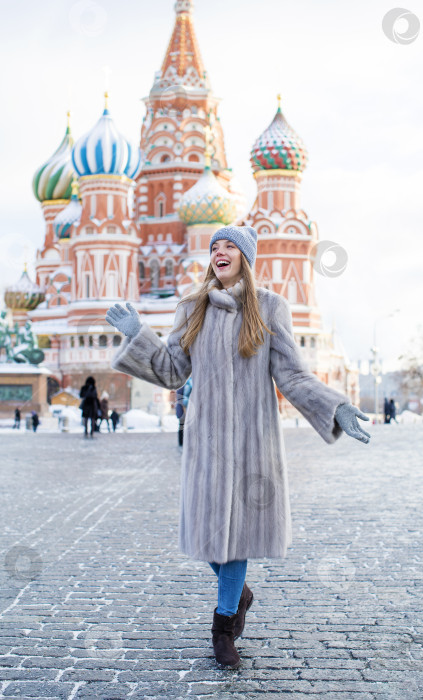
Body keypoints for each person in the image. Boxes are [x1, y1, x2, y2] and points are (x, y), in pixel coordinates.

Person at [105, 225, 371, 670]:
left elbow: (292, 376)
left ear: (245, 256)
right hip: (206, 444)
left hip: (253, 444)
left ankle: (223, 627)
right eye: (214, 246)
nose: (219, 252)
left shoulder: (270, 307)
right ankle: (240, 591)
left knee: (237, 542)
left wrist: (336, 407)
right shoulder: (192, 308)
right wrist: (138, 334)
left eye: (229, 246)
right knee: (211, 537)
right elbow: (172, 370)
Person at [175, 376, 192, 449]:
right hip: (183, 409)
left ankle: (181, 443)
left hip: (181, 408)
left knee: (182, 426)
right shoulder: (187, 384)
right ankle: (183, 443)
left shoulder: (181, 385)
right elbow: (184, 399)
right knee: (184, 426)